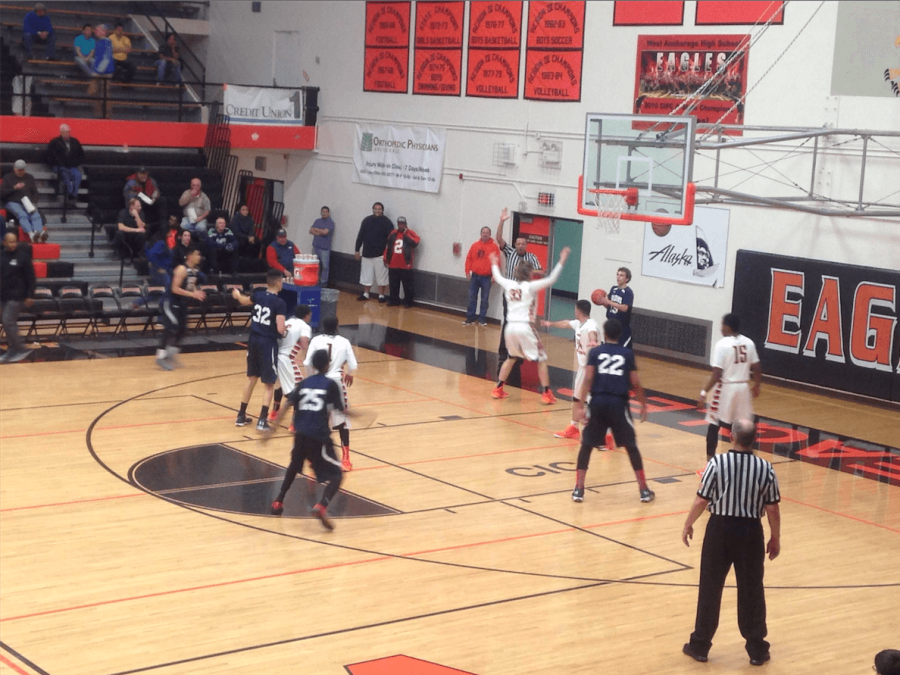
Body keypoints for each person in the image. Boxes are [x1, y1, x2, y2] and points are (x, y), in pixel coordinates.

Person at [681, 418, 781, 667]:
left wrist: (688, 524)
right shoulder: (765, 467)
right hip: (750, 533)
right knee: (752, 591)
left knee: (710, 588)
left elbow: (701, 501)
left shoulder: (717, 462)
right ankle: (757, 649)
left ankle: (700, 645)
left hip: (720, 530)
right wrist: (775, 538)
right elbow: (773, 509)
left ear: (731, 437)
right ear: (754, 439)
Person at [571, 319, 653, 503]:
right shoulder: (627, 353)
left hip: (598, 402)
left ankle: (579, 489)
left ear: (604, 334)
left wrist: (580, 406)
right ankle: (644, 490)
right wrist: (643, 404)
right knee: (631, 446)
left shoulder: (596, 351)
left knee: (586, 445)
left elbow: (588, 379)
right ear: (620, 334)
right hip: (618, 403)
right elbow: (636, 382)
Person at [266, 348, 346, 530]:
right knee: (337, 475)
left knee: (294, 466)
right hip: (318, 436)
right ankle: (321, 505)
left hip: (300, 434)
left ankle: (278, 501)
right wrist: (354, 414)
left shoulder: (304, 383)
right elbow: (340, 410)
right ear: (327, 365)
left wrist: (272, 429)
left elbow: (287, 404)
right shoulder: (330, 384)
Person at [489, 246, 570, 404]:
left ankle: (497, 389)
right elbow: (551, 279)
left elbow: (497, 277)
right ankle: (546, 393)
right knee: (541, 359)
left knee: (511, 357)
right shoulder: (531, 286)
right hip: (525, 326)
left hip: (509, 327)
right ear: (530, 273)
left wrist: (493, 262)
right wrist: (562, 259)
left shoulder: (508, 284)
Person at [700, 313, 761, 464]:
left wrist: (703, 392)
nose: (721, 328)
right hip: (743, 388)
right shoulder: (749, 342)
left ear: (727, 326)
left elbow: (716, 374)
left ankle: (710, 464)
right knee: (746, 428)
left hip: (726, 388)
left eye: (722, 325)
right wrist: (757, 384)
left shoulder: (722, 344)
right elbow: (757, 366)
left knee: (714, 425)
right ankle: (749, 461)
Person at [232, 269, 287, 432]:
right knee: (269, 383)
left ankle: (241, 415)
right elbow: (280, 328)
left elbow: (243, 300)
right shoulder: (279, 303)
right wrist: (285, 332)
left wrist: (236, 294)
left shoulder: (258, 295)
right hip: (267, 343)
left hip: (253, 340)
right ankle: (262, 420)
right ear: (278, 283)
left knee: (251, 378)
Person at [540, 299, 602, 440]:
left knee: (588, 400)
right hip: (584, 368)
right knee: (580, 399)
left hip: (592, 368)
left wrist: (593, 340)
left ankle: (600, 430)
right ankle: (575, 427)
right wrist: (551, 324)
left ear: (578, 310)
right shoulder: (579, 323)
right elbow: (565, 323)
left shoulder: (591, 325)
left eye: (575, 309)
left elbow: (592, 332)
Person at [304, 314, 358, 471]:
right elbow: (353, 364)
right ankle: (346, 460)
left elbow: (307, 362)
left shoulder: (316, 340)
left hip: (319, 383)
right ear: (337, 326)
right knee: (342, 423)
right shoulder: (344, 342)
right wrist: (350, 373)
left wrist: (311, 377)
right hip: (336, 383)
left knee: (318, 422)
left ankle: (314, 458)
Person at [496, 207, 542, 359]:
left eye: (523, 244)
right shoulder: (509, 251)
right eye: (518, 244)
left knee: (522, 322)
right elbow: (499, 239)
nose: (521, 246)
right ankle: (504, 349)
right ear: (515, 245)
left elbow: (541, 272)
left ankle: (521, 348)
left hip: (524, 294)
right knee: (507, 320)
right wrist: (501, 222)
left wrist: (527, 270)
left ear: (526, 245)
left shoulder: (532, 257)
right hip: (510, 292)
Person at [156, 247, 205, 370]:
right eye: (197, 254)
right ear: (189, 256)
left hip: (181, 303)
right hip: (170, 302)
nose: (199, 257)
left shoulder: (194, 271)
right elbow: (175, 288)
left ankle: (170, 355)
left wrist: (196, 292)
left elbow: (191, 284)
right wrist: (192, 294)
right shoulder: (181, 269)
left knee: (183, 330)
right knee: (171, 328)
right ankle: (160, 357)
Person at [269, 304, 312, 424]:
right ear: (307, 315)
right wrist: (308, 356)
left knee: (280, 385)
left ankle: (274, 413)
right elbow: (304, 342)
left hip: (275, 356)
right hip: (286, 359)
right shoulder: (304, 326)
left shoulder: (288, 321)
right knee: (298, 390)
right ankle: (294, 423)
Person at [0, 231, 36, 364]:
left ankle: (20, 348)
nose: (13, 244)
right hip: (3, 296)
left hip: (17, 296)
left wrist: (30, 295)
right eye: (10, 241)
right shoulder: (1, 256)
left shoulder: (23, 257)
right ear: (4, 242)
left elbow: (31, 278)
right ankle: (12, 350)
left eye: (14, 241)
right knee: (7, 322)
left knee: (8, 321)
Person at [354, 202, 393, 302]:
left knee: (381, 277)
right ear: (373, 209)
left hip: (380, 254)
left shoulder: (387, 222)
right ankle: (366, 294)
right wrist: (357, 250)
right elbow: (360, 236)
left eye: (379, 209)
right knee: (366, 275)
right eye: (376, 209)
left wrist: (389, 254)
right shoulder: (366, 220)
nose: (377, 211)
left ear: (382, 210)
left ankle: (381, 296)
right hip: (367, 253)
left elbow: (391, 238)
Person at [463, 226, 501, 325]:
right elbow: (469, 259)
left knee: (484, 299)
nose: (485, 234)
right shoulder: (474, 245)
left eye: (487, 233)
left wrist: (494, 275)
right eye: (483, 232)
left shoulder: (494, 247)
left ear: (490, 235)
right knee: (472, 297)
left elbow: (496, 262)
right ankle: (470, 317)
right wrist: (467, 271)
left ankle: (482, 318)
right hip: (475, 276)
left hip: (486, 277)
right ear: (480, 234)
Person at [1, 160, 46, 243]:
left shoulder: (29, 177)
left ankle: (38, 233)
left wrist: (33, 202)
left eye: (23, 170)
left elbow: (35, 193)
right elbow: (2, 193)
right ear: (15, 169)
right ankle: (31, 235)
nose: (21, 172)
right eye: (19, 170)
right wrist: (14, 188)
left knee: (35, 214)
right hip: (12, 202)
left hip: (27, 202)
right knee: (22, 214)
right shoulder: (7, 177)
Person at [383, 216, 420, 307]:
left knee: (407, 285)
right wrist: (385, 258)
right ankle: (394, 300)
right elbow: (388, 247)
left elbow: (414, 243)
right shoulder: (393, 233)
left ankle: (408, 301)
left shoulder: (411, 233)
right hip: (393, 264)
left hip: (406, 264)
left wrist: (405, 234)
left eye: (403, 224)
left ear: (406, 224)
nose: (401, 226)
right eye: (399, 224)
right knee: (393, 284)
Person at [45, 123, 85, 203]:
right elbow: (50, 155)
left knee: (77, 175)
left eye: (68, 132)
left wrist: (76, 163)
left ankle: (74, 194)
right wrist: (58, 163)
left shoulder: (75, 142)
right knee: (65, 175)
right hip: (59, 166)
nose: (67, 134)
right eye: (65, 132)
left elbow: (81, 154)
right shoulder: (54, 142)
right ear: (61, 132)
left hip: (72, 165)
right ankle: (70, 193)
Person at [596, 267, 634, 349]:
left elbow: (625, 308)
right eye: (617, 274)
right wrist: (602, 302)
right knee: (609, 348)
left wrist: (608, 302)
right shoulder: (613, 289)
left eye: (621, 275)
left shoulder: (628, 292)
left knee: (622, 350)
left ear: (626, 279)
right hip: (611, 323)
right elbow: (609, 306)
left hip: (622, 327)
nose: (618, 277)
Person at [123, 167, 167, 232]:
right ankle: (141, 225)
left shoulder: (151, 181)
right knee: (137, 201)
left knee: (162, 200)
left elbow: (156, 191)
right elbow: (127, 195)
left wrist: (154, 197)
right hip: (137, 203)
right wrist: (140, 195)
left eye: (145, 174)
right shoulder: (131, 182)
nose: (143, 176)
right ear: (137, 174)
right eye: (141, 174)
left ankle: (163, 224)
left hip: (149, 202)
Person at [86, 24, 115, 117]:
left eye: (98, 30)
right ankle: (98, 113)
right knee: (96, 93)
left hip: (104, 72)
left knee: (104, 93)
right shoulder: (99, 42)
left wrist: (97, 71)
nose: (95, 32)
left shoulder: (106, 42)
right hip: (100, 71)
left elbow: (106, 59)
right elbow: (97, 58)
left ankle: (107, 114)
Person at [115, 198, 148, 262]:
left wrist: (136, 216)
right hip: (126, 233)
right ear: (132, 206)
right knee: (119, 233)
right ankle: (120, 254)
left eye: (140, 206)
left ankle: (139, 255)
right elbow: (120, 227)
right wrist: (136, 230)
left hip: (135, 236)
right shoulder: (123, 212)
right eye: (138, 206)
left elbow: (141, 227)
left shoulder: (141, 213)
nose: (140, 208)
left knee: (142, 234)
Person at [309, 206, 334, 285]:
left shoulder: (331, 223)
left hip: (325, 248)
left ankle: (323, 283)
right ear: (320, 212)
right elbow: (311, 231)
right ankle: (314, 280)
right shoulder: (317, 221)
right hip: (315, 247)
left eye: (326, 212)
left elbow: (325, 232)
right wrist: (320, 231)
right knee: (314, 265)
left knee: (325, 266)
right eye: (322, 211)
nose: (324, 213)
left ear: (328, 213)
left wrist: (317, 230)